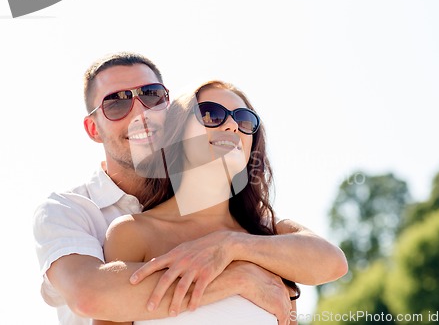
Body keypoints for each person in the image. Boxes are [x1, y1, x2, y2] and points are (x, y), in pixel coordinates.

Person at [33, 52, 348, 325]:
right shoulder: (74, 213)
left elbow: (330, 263)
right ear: (93, 128)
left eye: (152, 95)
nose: (140, 113)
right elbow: (91, 295)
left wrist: (229, 245)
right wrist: (237, 277)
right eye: (116, 103)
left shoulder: (260, 230)